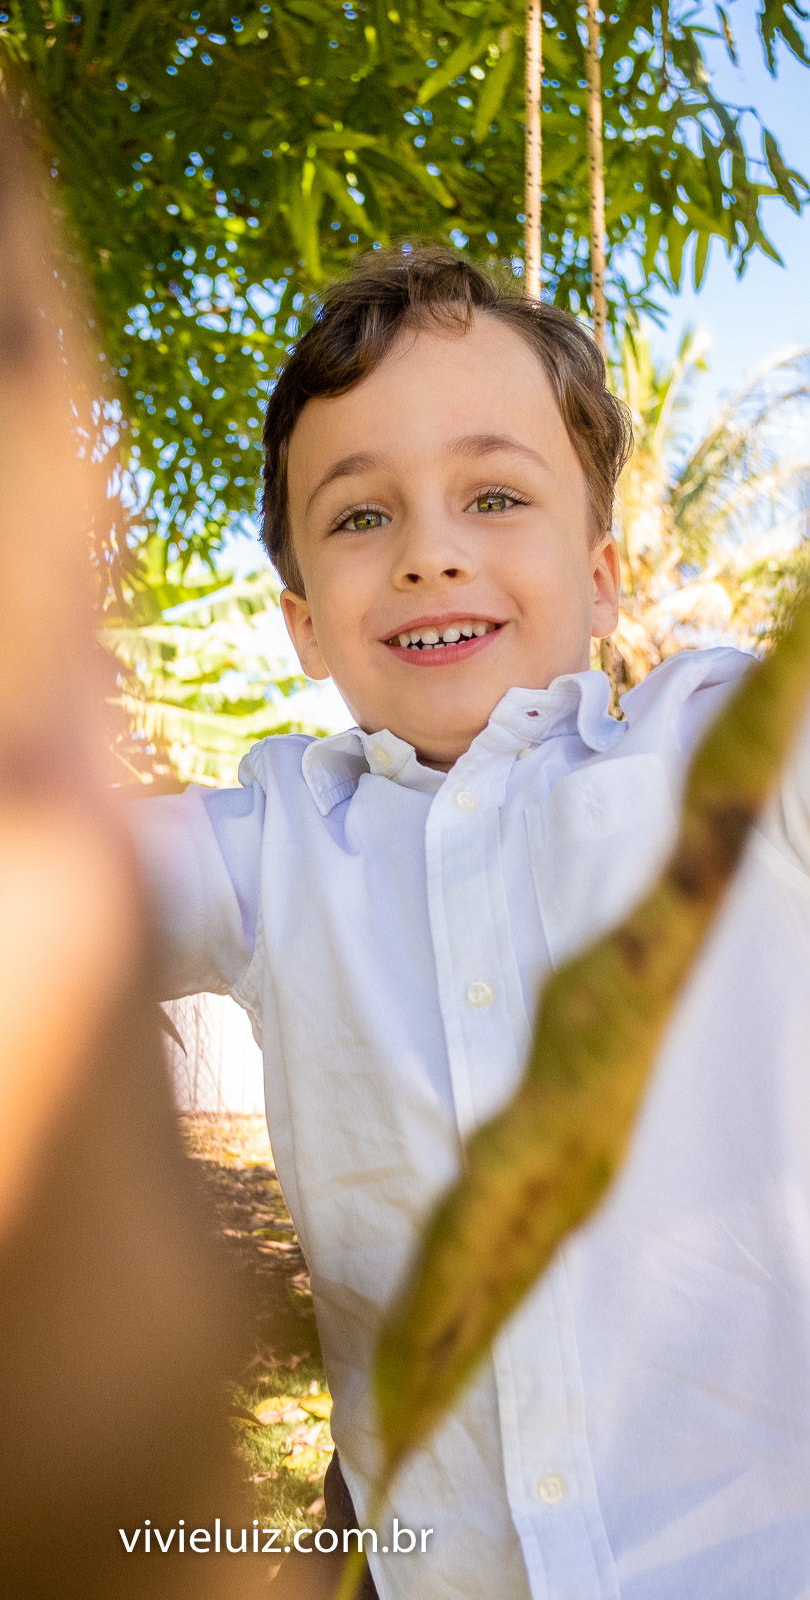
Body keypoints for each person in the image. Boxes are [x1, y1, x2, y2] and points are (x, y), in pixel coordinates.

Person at [125, 245, 810, 1600]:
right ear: (304, 621)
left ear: (602, 575)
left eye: (494, 496)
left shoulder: (721, 753)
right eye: (362, 517)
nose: (432, 550)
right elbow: (19, 891)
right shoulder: (273, 844)